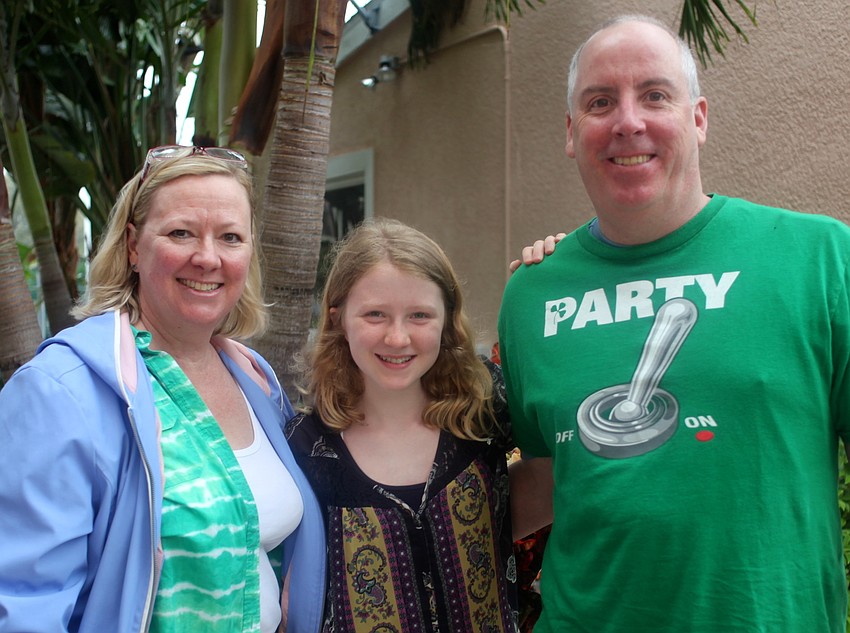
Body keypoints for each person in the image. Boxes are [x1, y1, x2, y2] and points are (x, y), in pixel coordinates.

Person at [498, 14, 850, 633]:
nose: (627, 121)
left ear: (699, 117)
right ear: (572, 131)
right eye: (600, 101)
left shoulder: (821, 260)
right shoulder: (532, 294)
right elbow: (553, 473)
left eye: (655, 95)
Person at [0, 145, 325, 633]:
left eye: (230, 237)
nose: (208, 257)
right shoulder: (60, 392)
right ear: (133, 246)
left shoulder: (254, 377)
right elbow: (23, 602)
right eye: (180, 233)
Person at [285, 218, 519, 632]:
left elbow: (562, 463)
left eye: (419, 315)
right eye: (375, 314)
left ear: (447, 319)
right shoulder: (302, 447)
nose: (397, 338)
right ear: (338, 319)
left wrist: (556, 268)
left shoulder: (485, 405)